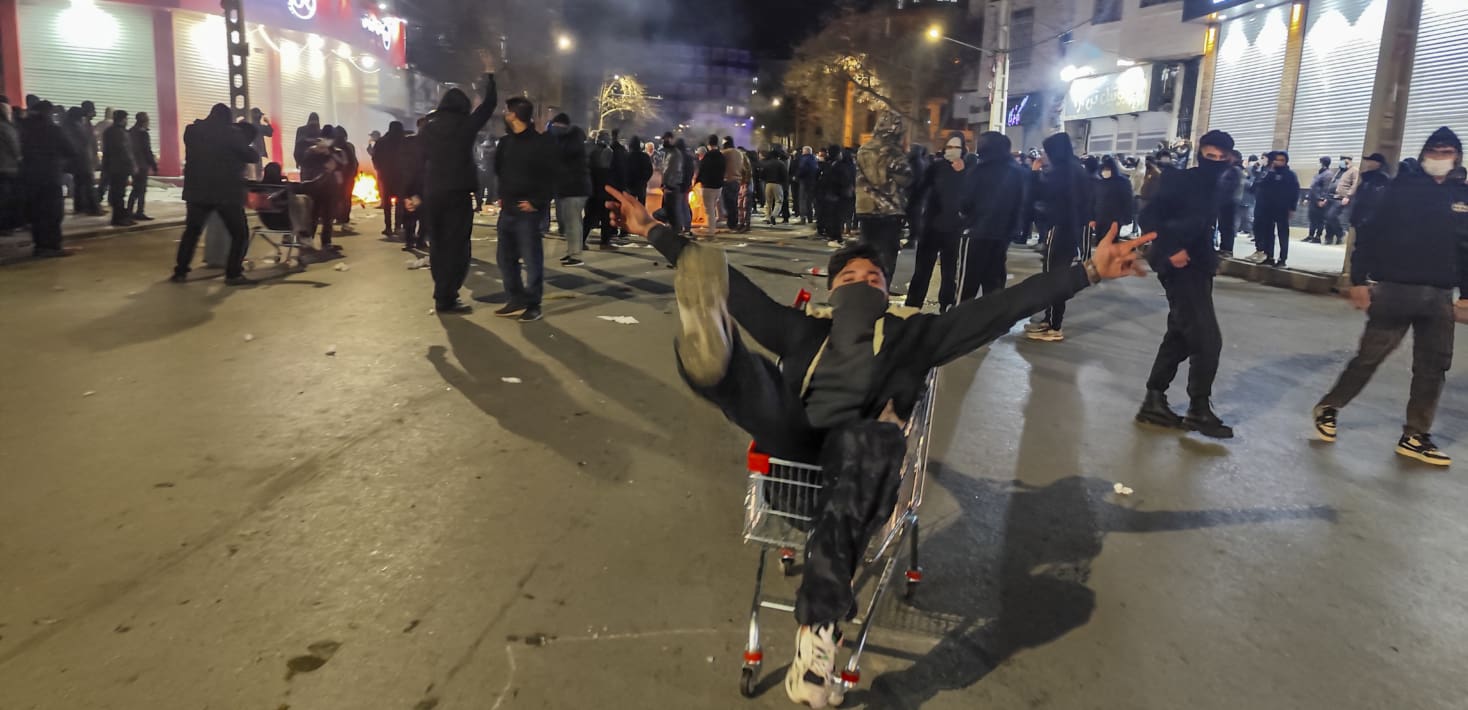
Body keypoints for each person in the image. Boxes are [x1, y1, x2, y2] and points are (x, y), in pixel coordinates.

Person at [600, 183, 1154, 709]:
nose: (863, 281)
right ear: (831, 289)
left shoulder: (917, 336)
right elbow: (730, 286)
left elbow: (999, 310)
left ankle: (816, 633)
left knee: (873, 437)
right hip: (795, 454)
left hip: (859, 472)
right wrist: (655, 231)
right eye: (852, 276)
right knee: (761, 387)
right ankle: (714, 357)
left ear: (887, 293)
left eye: (874, 277)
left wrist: (1086, 272)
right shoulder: (803, 330)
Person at [1313, 128, 1468, 466]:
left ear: (1457, 156)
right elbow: (1370, 232)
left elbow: (1466, 249)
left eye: (1447, 152)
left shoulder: (1462, 196)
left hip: (1440, 295)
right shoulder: (1402, 189)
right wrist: (1358, 280)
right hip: (1396, 289)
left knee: (1433, 367)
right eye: (1435, 150)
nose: (1440, 157)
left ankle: (1415, 435)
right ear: (1425, 153)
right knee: (1369, 358)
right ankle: (1329, 407)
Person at [1134, 129, 1238, 439]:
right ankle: (1198, 408)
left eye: (1222, 157)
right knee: (1208, 339)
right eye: (1210, 156)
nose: (1216, 161)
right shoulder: (1180, 180)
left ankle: (1154, 399)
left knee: (1180, 334)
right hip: (1178, 266)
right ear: (1200, 154)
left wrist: (1211, 259)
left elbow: (1207, 225)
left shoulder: (1221, 185)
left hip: (1200, 266)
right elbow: (1149, 217)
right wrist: (1171, 247)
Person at [409, 66, 498, 314]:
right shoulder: (465, 126)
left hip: (432, 193)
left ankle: (441, 294)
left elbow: (417, 162)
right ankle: (449, 295)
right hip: (458, 194)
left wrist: (412, 192)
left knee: (437, 244)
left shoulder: (427, 127)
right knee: (457, 245)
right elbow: (488, 106)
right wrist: (490, 77)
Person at [170, 103, 259, 284]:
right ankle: (233, 273)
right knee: (239, 234)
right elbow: (252, 156)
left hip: (197, 192)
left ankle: (180, 272)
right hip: (225, 193)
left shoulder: (192, 131)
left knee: (192, 232)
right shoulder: (232, 135)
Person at [491, 96, 553, 322]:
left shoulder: (540, 143)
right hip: (507, 209)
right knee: (505, 258)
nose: (504, 115)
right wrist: (502, 195)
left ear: (514, 115)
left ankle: (533, 304)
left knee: (531, 259)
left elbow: (552, 177)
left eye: (506, 111)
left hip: (527, 212)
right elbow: (498, 169)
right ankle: (515, 297)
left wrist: (536, 202)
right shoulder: (506, 143)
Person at [1025, 133, 1092, 342]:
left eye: (1047, 151)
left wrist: (1035, 174)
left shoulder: (1061, 172)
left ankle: (1054, 326)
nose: (1044, 155)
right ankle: (1050, 319)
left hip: (1059, 228)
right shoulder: (1076, 170)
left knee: (1052, 276)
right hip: (1071, 230)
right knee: (1056, 275)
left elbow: (1040, 194)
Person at [904, 134, 972, 310]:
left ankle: (947, 304)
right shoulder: (935, 167)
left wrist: (964, 172)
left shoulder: (970, 169)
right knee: (922, 270)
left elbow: (972, 197)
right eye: (949, 147)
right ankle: (912, 306)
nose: (952, 151)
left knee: (950, 271)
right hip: (931, 227)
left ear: (963, 149)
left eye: (956, 147)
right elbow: (919, 192)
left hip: (955, 228)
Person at [959, 131, 1025, 301]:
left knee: (967, 284)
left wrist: (965, 218)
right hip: (1002, 235)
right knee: (994, 284)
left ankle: (959, 323)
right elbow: (1020, 203)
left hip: (976, 232)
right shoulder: (1016, 172)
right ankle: (992, 323)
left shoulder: (979, 171)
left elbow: (966, 202)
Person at [855, 112, 913, 280]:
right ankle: (879, 294)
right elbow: (906, 179)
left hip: (865, 209)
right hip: (889, 213)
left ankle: (863, 291)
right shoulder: (894, 153)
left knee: (867, 257)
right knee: (886, 261)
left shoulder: (863, 149)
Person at [18, 100, 79, 257]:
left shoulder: (24, 129)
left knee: (37, 214)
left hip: (29, 178)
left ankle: (40, 246)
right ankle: (53, 247)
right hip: (50, 177)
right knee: (52, 214)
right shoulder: (53, 129)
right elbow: (71, 150)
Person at [546, 113, 591, 265]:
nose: (553, 129)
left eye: (555, 125)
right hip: (568, 188)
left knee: (573, 224)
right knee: (570, 223)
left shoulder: (573, 140)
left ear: (562, 125)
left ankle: (576, 255)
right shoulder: (566, 139)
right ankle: (572, 252)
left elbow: (562, 157)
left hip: (575, 189)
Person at [297, 126, 345, 252]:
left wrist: (330, 154)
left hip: (329, 187)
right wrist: (320, 154)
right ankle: (309, 240)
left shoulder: (335, 151)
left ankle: (325, 242)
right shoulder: (312, 150)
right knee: (314, 214)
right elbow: (306, 164)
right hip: (317, 186)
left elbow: (342, 164)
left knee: (327, 215)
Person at [1248, 151, 1300, 267]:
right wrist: (1268, 171)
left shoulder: (1290, 175)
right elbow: (1260, 185)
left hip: (1283, 209)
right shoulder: (1269, 173)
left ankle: (1282, 259)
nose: (1279, 162)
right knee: (1268, 233)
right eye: (1277, 160)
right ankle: (1269, 256)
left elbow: (1295, 192)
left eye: (1282, 160)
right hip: (1268, 208)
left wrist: (1292, 208)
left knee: (1283, 234)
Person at [64, 106, 103, 216]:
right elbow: (85, 143)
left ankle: (80, 207)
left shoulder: (69, 126)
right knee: (89, 184)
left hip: (78, 160)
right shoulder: (78, 127)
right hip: (83, 160)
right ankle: (94, 208)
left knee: (79, 184)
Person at [372, 120, 408, 237]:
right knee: (400, 202)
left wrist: (379, 169)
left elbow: (375, 157)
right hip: (401, 176)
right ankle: (398, 226)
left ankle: (388, 227)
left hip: (385, 176)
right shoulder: (404, 141)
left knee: (387, 203)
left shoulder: (381, 142)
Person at [100, 109, 136, 227]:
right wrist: (132, 165)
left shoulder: (108, 131)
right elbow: (125, 151)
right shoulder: (120, 133)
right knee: (119, 193)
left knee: (116, 193)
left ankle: (120, 217)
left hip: (111, 166)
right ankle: (119, 218)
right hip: (120, 167)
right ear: (123, 119)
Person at [1091, 155, 1134, 249]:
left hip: (1114, 219)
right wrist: (1092, 218)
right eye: (1103, 169)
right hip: (1100, 218)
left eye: (1107, 169)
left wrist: (1126, 218)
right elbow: (1094, 200)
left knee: (1111, 244)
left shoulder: (1122, 182)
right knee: (1099, 243)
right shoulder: (1100, 182)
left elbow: (1128, 201)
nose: (1105, 171)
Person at [125, 112, 158, 221]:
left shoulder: (129, 132)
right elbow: (147, 151)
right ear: (144, 121)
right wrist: (154, 165)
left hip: (133, 164)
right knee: (141, 190)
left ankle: (129, 211)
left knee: (135, 188)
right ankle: (139, 211)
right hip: (142, 165)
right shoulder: (143, 134)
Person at [1347, 152, 1390, 233]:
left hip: (1369, 217)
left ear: (1377, 163)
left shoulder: (1382, 179)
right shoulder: (1367, 177)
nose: (1368, 163)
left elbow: (1376, 198)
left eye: (1370, 161)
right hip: (1361, 216)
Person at [697, 135, 727, 237]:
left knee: (709, 210)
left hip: (707, 186)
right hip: (718, 186)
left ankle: (711, 231)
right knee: (713, 207)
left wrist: (697, 181)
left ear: (708, 144)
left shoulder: (707, 156)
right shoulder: (721, 156)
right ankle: (712, 227)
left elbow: (702, 170)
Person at [1325, 155, 1359, 246]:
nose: (1343, 162)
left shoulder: (1354, 170)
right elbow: (1333, 182)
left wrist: (1348, 196)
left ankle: (1340, 233)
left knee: (1331, 216)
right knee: (1328, 219)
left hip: (1342, 198)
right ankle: (1329, 238)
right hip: (1331, 196)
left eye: (1345, 161)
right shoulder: (1339, 170)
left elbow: (1355, 184)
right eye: (1341, 160)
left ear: (1350, 161)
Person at [659, 132, 688, 236]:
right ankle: (674, 230)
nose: (664, 142)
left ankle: (676, 232)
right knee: (671, 210)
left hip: (672, 186)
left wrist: (666, 184)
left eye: (666, 139)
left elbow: (670, 171)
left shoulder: (674, 154)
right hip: (671, 185)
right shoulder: (671, 153)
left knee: (673, 211)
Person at [334, 126, 359, 230]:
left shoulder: (333, 147)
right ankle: (344, 221)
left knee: (336, 199)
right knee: (346, 199)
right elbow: (354, 162)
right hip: (348, 177)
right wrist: (354, 174)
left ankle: (338, 218)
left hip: (336, 178)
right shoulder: (349, 146)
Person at [1305, 156, 1333, 244]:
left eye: (1321, 162)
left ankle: (1317, 237)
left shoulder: (1328, 174)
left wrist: (1322, 199)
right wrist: (1307, 197)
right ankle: (1310, 235)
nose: (1320, 164)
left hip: (1319, 200)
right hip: (1313, 199)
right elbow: (1312, 186)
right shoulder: (1319, 173)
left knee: (1319, 219)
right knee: (1312, 218)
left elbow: (1326, 188)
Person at [0, 98, 18, 234]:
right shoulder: (6, 127)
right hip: (7, 167)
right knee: (6, 198)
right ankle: (6, 226)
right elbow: (15, 146)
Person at [720, 137, 744, 233]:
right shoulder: (739, 153)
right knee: (734, 203)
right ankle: (734, 223)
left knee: (728, 204)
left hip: (727, 180)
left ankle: (732, 224)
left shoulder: (724, 153)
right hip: (737, 180)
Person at [759, 148, 788, 226]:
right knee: (778, 201)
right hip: (778, 184)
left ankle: (767, 217)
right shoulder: (781, 163)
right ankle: (774, 215)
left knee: (768, 202)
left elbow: (762, 175)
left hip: (768, 184)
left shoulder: (766, 163)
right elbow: (785, 175)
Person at [794, 146, 818, 224]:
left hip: (804, 181)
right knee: (809, 200)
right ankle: (810, 218)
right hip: (812, 182)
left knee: (802, 200)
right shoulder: (814, 159)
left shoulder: (804, 159)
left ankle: (803, 218)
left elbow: (802, 169)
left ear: (806, 151)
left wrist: (796, 176)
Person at [628, 135, 654, 205]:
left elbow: (624, 170)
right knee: (641, 206)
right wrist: (644, 180)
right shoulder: (645, 156)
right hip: (641, 186)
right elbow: (650, 170)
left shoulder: (627, 156)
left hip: (630, 186)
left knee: (630, 206)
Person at [248, 108, 273, 179]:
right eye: (259, 115)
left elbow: (269, 133)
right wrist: (268, 123)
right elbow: (269, 132)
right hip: (257, 152)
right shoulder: (258, 126)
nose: (260, 117)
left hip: (253, 152)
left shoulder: (248, 124)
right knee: (257, 172)